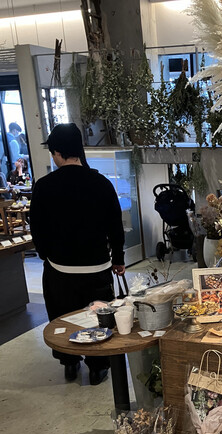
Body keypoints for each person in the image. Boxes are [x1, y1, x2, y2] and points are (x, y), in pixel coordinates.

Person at [29, 123, 125, 385]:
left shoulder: (44, 186)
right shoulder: (102, 184)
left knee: (63, 317)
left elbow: (37, 227)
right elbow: (115, 226)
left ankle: (69, 363)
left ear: (58, 153)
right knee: (98, 318)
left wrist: (45, 254)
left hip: (60, 269)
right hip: (97, 268)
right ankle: (97, 367)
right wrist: (118, 259)